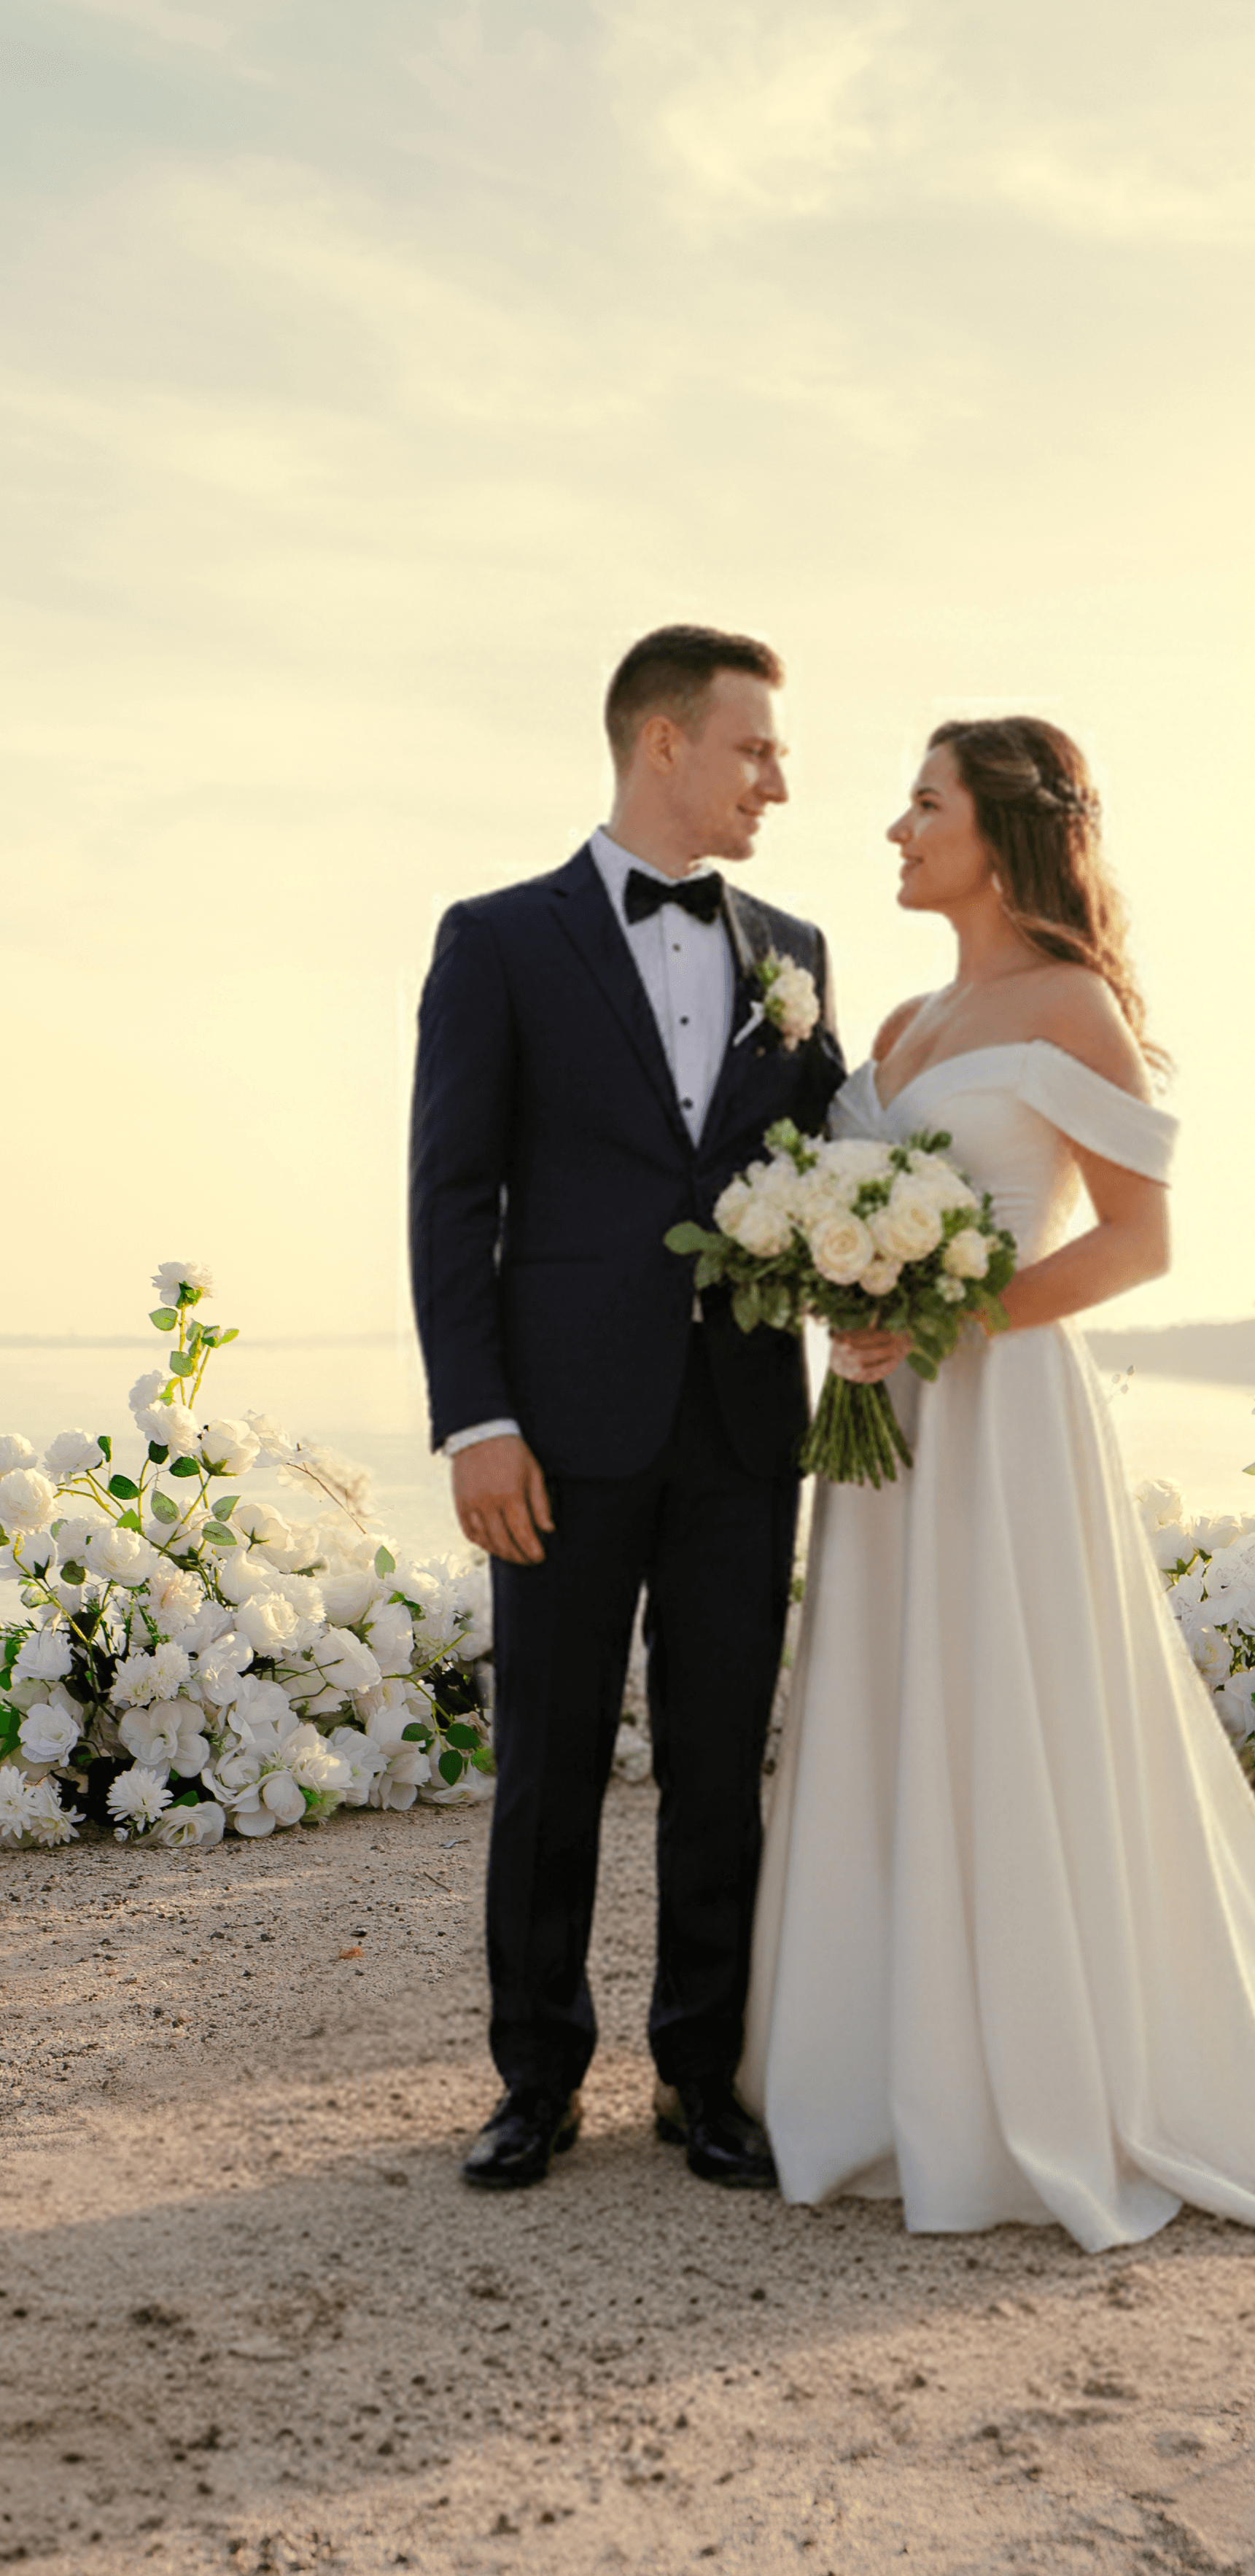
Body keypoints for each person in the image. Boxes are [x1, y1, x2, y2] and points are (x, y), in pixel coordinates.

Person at [741, 714, 1255, 2248]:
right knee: (891, 1702)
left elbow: (1139, 1242)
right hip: (886, 1424)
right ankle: (877, 2064)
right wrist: (848, 1296)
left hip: (1001, 1409)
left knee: (1007, 1702)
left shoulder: (1071, 1006)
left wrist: (948, 1316)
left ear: (1001, 832)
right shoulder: (903, 1024)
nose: (896, 829)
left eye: (923, 803)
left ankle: (1036, 2075)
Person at [410, 625, 844, 2192]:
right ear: (665, 741)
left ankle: (700, 2078)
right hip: (556, 1433)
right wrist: (477, 1421)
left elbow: (835, 1165)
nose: (776, 781)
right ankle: (535, 2082)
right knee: (550, 1763)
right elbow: (453, 1196)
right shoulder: (497, 941)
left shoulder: (796, 950)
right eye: (755, 749)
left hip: (742, 1426)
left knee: (722, 1761)